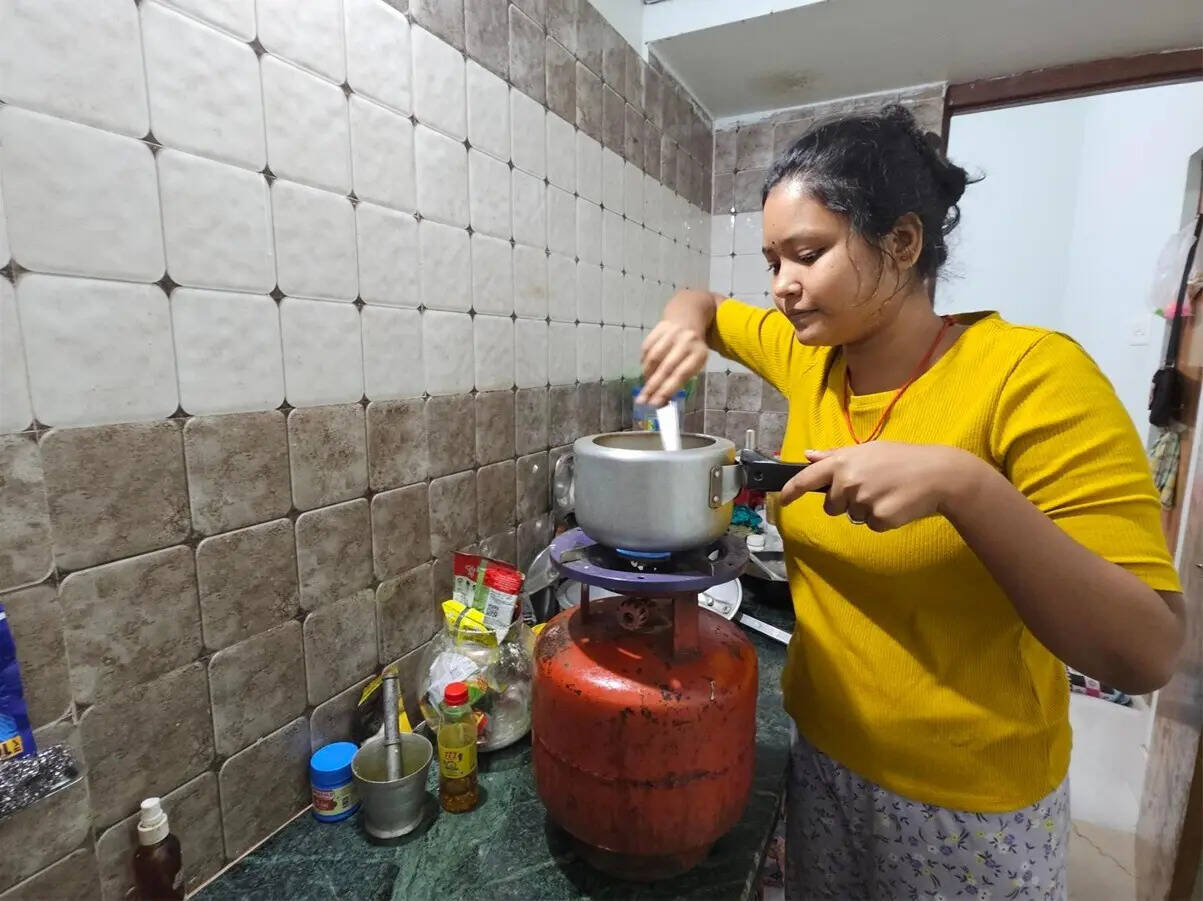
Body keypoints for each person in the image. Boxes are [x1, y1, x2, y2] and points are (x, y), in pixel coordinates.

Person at [638, 105, 1184, 900]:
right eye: (772, 260)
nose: (782, 285)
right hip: (824, 758)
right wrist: (678, 326)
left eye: (807, 254)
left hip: (970, 804)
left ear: (900, 242)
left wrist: (965, 488)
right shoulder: (812, 355)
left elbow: (1145, 650)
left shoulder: (1031, 375)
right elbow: (702, 302)